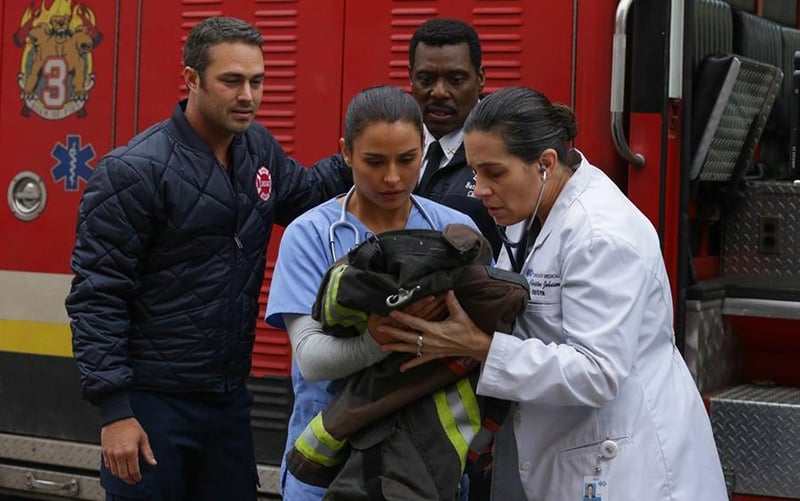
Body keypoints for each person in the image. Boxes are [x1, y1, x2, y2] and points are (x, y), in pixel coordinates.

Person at [377, 87, 729, 500]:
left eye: (494, 173)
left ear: (544, 163)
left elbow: (596, 372)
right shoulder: (531, 210)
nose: (480, 189)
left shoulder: (601, 234)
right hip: (563, 447)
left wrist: (480, 348)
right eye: (475, 173)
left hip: (624, 465)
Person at [65, 17, 352, 501]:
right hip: (152, 407)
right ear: (191, 79)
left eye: (257, 81)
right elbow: (98, 297)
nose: (248, 95)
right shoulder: (133, 171)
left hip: (227, 403)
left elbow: (308, 194)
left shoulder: (256, 149)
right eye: (232, 80)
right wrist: (116, 412)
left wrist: (363, 152)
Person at [265, 85, 481, 500]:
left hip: (429, 463)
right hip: (329, 461)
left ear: (423, 148)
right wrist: (381, 339)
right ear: (345, 152)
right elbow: (311, 360)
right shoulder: (311, 234)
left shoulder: (453, 230)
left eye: (407, 159)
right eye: (374, 161)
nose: (392, 178)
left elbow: (479, 342)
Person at [409, 18, 502, 258]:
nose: (439, 92)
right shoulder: (389, 138)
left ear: (480, 78)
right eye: (426, 80)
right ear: (411, 78)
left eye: (456, 80)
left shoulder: (508, 146)